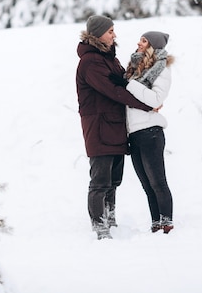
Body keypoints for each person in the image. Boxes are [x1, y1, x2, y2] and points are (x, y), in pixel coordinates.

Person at [76, 15, 154, 240]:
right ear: (97, 34)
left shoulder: (109, 58)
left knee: (113, 181)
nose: (114, 35)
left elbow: (124, 80)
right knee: (100, 181)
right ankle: (100, 227)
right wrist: (146, 105)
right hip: (99, 127)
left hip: (115, 127)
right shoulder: (91, 62)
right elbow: (113, 90)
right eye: (110, 31)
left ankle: (111, 222)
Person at [109, 31, 175, 234]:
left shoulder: (162, 70)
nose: (139, 42)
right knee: (147, 185)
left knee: (157, 182)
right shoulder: (134, 69)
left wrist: (128, 84)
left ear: (152, 46)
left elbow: (155, 100)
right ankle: (156, 224)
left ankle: (167, 223)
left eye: (144, 40)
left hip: (150, 132)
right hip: (134, 133)